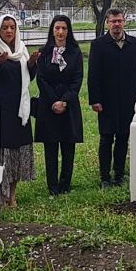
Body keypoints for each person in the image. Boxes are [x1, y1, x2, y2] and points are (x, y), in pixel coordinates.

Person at [87, 7, 136, 187]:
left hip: (129, 100)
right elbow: (93, 75)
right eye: (113, 21)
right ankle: (105, 177)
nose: (116, 25)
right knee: (106, 138)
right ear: (107, 23)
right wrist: (95, 100)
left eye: (119, 21)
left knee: (123, 137)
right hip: (106, 101)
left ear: (124, 21)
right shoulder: (98, 45)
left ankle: (119, 174)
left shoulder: (134, 44)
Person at [0, 13, 35, 208]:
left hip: (20, 111)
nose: (9, 31)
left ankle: (12, 195)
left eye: (12, 27)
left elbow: (28, 78)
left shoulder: (21, 49)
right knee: (2, 155)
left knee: (17, 155)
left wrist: (31, 64)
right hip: (0, 111)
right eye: (5, 27)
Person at [33, 13, 83, 195]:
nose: (60, 32)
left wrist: (64, 101)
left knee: (68, 146)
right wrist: (54, 100)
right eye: (57, 28)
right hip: (49, 105)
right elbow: (42, 79)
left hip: (68, 106)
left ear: (68, 31)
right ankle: (52, 185)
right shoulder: (44, 52)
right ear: (52, 31)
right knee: (51, 146)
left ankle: (65, 184)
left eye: (64, 28)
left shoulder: (75, 53)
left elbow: (77, 79)